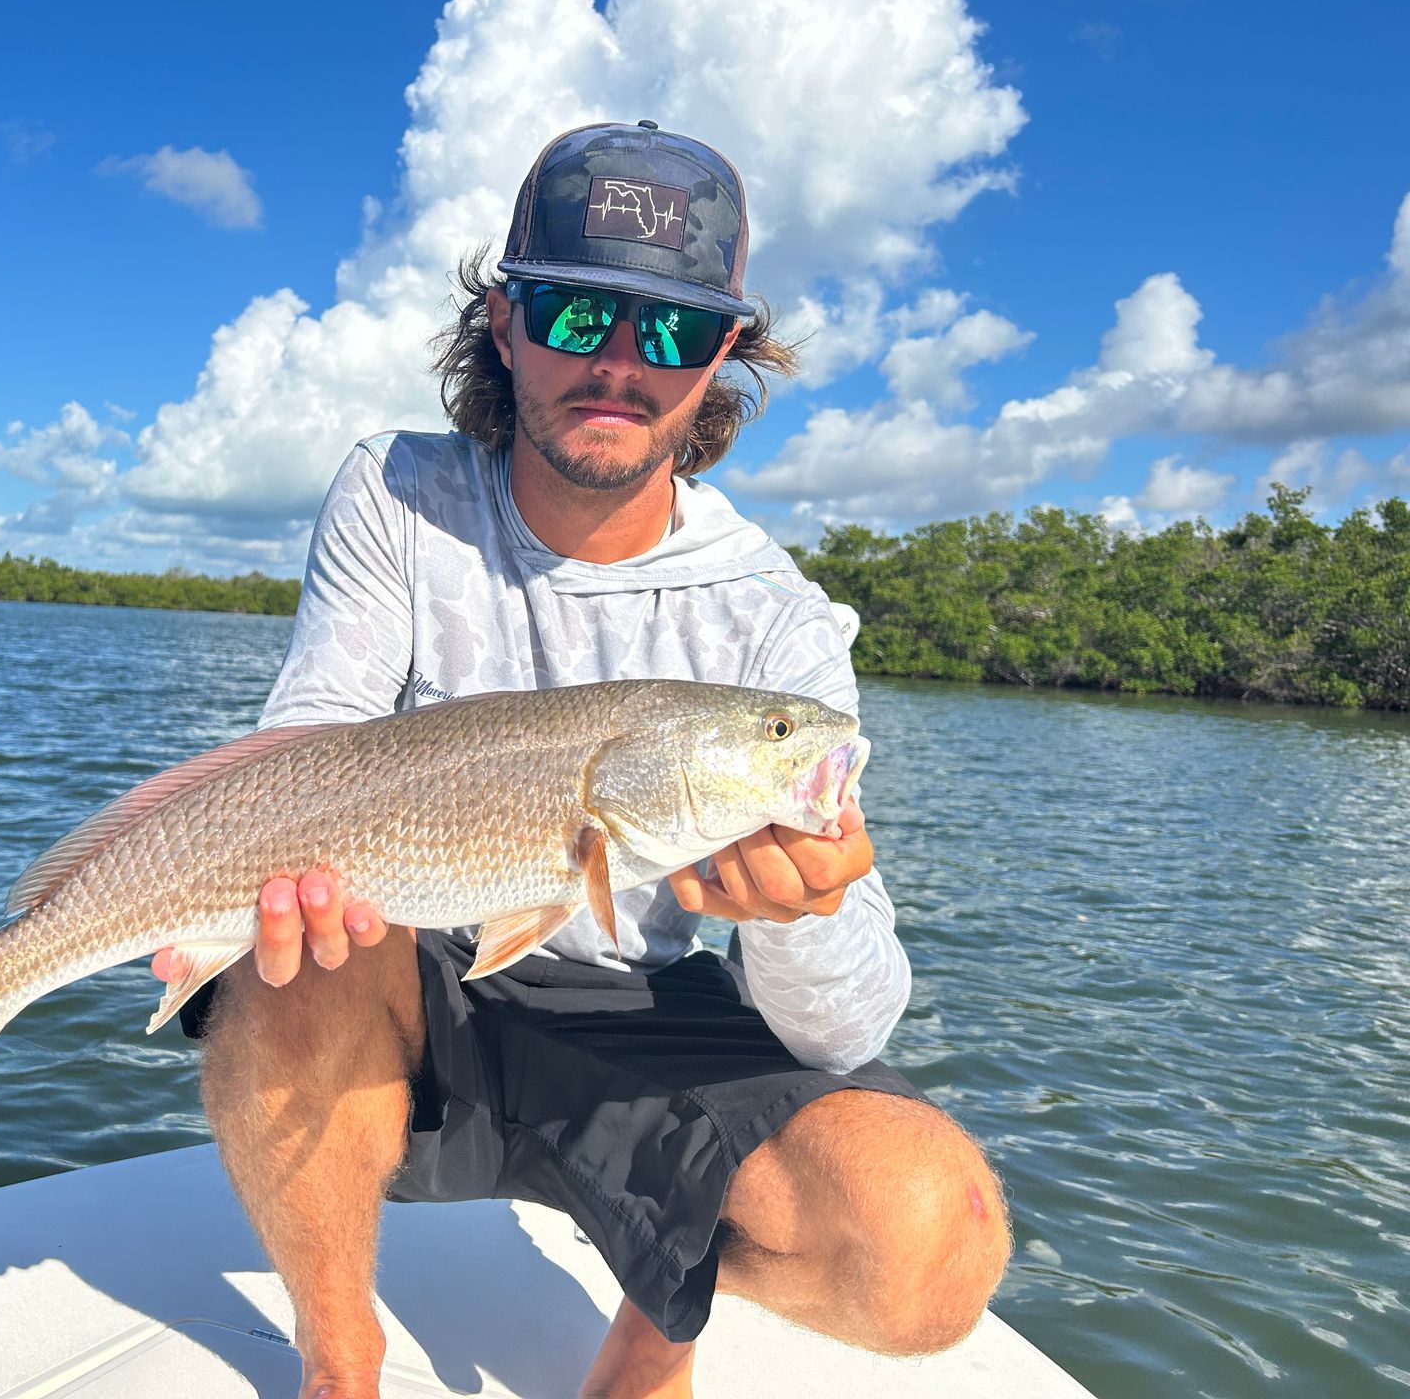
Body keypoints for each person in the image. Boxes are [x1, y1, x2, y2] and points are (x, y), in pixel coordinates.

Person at [157, 121, 1010, 1399]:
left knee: (933, 1250)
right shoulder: (395, 495)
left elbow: (844, 1027)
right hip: (416, 970)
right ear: (504, 323)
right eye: (572, 312)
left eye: (669, 330)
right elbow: (309, 748)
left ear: (723, 353)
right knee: (307, 944)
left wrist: (805, 909)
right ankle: (342, 1361)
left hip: (641, 1007)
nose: (619, 363)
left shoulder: (777, 623)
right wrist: (217, 899)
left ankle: (649, 1329)